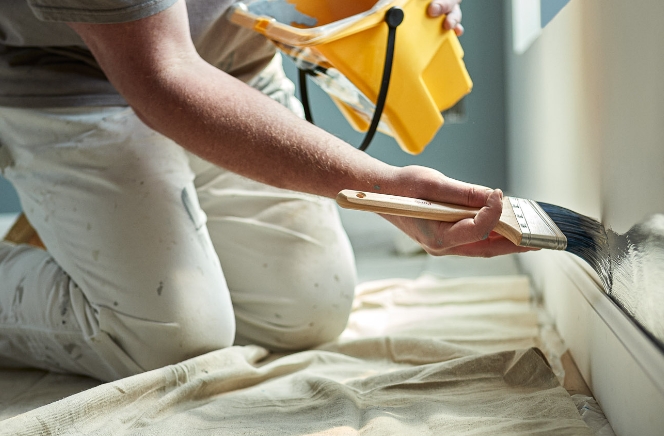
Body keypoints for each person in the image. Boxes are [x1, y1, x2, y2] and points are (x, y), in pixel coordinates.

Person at [0, 0, 527, 382]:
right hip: (71, 80)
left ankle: (123, 231)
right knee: (173, 336)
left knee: (308, 311)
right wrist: (378, 185)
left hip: (233, 61)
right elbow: (164, 79)